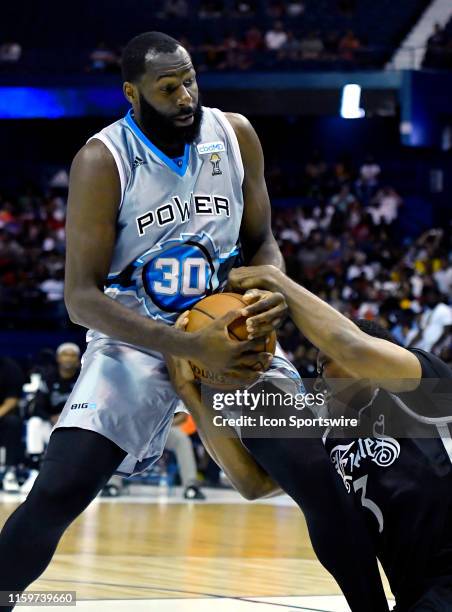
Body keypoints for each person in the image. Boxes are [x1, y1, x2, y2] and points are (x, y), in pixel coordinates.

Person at [0, 31, 299, 608]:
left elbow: (263, 242)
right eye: (169, 89)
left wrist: (267, 292)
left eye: (190, 81)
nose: (186, 97)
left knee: (317, 465)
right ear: (131, 94)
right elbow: (80, 299)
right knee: (60, 489)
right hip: (132, 340)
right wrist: (182, 346)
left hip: (228, 333)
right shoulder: (101, 159)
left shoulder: (234, 135)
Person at [169, 263, 452, 611]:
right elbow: (253, 484)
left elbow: (351, 346)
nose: (320, 377)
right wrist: (189, 390)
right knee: (313, 482)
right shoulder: (330, 436)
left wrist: (276, 281)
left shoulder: (432, 389)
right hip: (418, 597)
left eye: (326, 363)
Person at [21, 343, 81, 494]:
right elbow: (37, 406)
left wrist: (68, 417)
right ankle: (34, 472)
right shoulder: (48, 377)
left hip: (75, 427)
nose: (68, 358)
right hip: (52, 425)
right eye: (65, 354)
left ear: (78, 359)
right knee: (34, 423)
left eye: (72, 355)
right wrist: (51, 417)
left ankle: (79, 480)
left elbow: (92, 406)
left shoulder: (84, 377)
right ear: (58, 358)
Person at [0, 356, 25, 493]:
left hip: (3, 415)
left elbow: (12, 400)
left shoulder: (9, 368)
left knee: (13, 422)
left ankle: (10, 472)